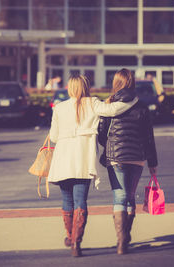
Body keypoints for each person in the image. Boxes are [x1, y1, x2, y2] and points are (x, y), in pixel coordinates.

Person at [47, 74, 135, 257]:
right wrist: (132, 101)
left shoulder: (60, 108)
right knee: (80, 201)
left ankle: (70, 237)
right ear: (86, 87)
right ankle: (76, 245)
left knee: (67, 200)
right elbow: (114, 110)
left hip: (63, 159)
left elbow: (54, 137)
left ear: (70, 88)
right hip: (82, 160)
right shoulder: (93, 103)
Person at [98, 68, 158, 255]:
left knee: (119, 197)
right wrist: (152, 162)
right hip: (137, 157)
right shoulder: (142, 106)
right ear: (132, 84)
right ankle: (126, 235)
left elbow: (101, 134)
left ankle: (121, 241)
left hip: (116, 157)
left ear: (116, 84)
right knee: (130, 196)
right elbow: (149, 136)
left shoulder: (109, 106)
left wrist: (110, 145)